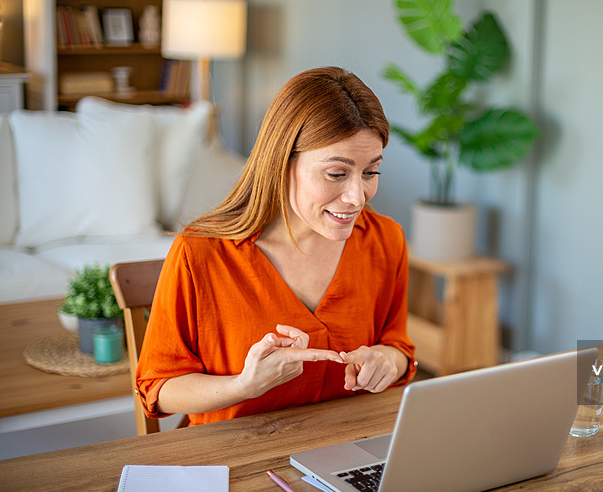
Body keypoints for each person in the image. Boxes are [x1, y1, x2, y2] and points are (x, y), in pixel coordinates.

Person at [136, 67, 417, 426]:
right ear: (281, 162)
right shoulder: (199, 254)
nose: (356, 196)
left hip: (348, 448)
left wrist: (389, 361)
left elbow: (399, 347)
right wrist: (244, 385)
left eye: (370, 172)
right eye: (336, 174)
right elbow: (159, 388)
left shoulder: (384, 240)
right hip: (234, 459)